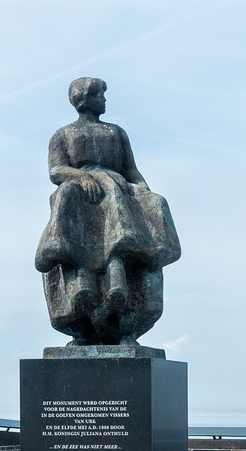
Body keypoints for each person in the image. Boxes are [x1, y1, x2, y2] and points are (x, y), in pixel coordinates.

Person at [35, 77, 181, 346]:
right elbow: (56, 171)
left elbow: (131, 171)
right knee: (70, 194)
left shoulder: (116, 133)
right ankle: (81, 280)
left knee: (156, 202)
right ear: (84, 98)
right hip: (81, 192)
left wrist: (144, 191)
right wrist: (81, 177)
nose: (104, 99)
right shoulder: (63, 134)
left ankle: (130, 266)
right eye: (99, 94)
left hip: (118, 189)